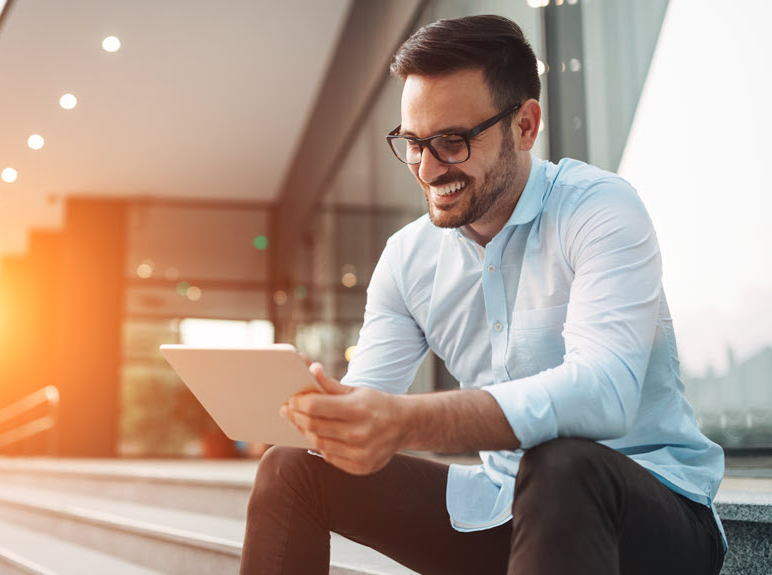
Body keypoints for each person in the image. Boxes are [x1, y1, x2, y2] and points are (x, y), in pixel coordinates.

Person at [239, 14, 726, 575]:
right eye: (414, 143)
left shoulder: (599, 210)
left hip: (650, 514)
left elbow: (603, 395)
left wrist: (405, 421)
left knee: (562, 463)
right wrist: (325, 418)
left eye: (452, 141)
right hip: (504, 508)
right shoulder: (408, 259)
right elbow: (368, 404)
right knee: (290, 469)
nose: (427, 168)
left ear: (525, 125)